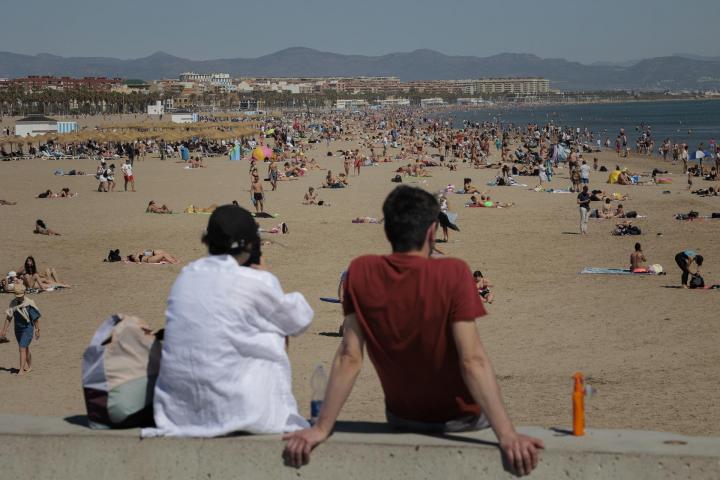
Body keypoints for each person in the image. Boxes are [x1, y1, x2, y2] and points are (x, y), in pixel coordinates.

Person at [283, 186, 543, 475]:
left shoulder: (361, 271)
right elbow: (472, 360)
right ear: (432, 230)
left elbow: (349, 357)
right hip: (461, 421)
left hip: (402, 417)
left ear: (388, 229)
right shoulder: (454, 272)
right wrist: (507, 435)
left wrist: (321, 428)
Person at [142, 205, 313, 437]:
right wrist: (265, 273)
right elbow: (300, 320)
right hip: (243, 413)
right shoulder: (256, 280)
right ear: (251, 244)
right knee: (277, 327)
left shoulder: (187, 275)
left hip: (178, 414)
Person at [0, 284, 41, 375]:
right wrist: (4, 331)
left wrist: (37, 330)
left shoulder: (29, 304)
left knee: (22, 348)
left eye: (20, 295)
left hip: (27, 329)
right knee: (25, 348)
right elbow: (9, 317)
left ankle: (21, 370)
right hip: (18, 329)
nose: (19, 297)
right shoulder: (13, 303)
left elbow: (35, 318)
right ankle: (30, 366)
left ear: (24, 293)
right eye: (17, 295)